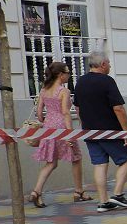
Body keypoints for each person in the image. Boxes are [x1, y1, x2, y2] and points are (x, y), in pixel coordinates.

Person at [73, 52, 127, 213]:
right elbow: (118, 108)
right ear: (103, 65)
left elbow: (77, 108)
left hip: (89, 131)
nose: (110, 66)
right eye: (109, 63)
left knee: (100, 164)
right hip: (110, 131)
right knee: (126, 159)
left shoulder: (80, 82)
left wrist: (83, 125)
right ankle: (118, 194)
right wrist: (126, 132)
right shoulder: (107, 81)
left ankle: (103, 201)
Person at [26, 62, 92, 207]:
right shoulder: (63, 91)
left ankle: (36, 192)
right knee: (76, 157)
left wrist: (46, 120)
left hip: (48, 127)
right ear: (60, 75)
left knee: (51, 162)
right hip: (62, 127)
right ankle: (78, 191)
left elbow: (38, 112)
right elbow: (66, 112)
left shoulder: (44, 90)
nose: (69, 75)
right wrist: (69, 134)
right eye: (67, 72)